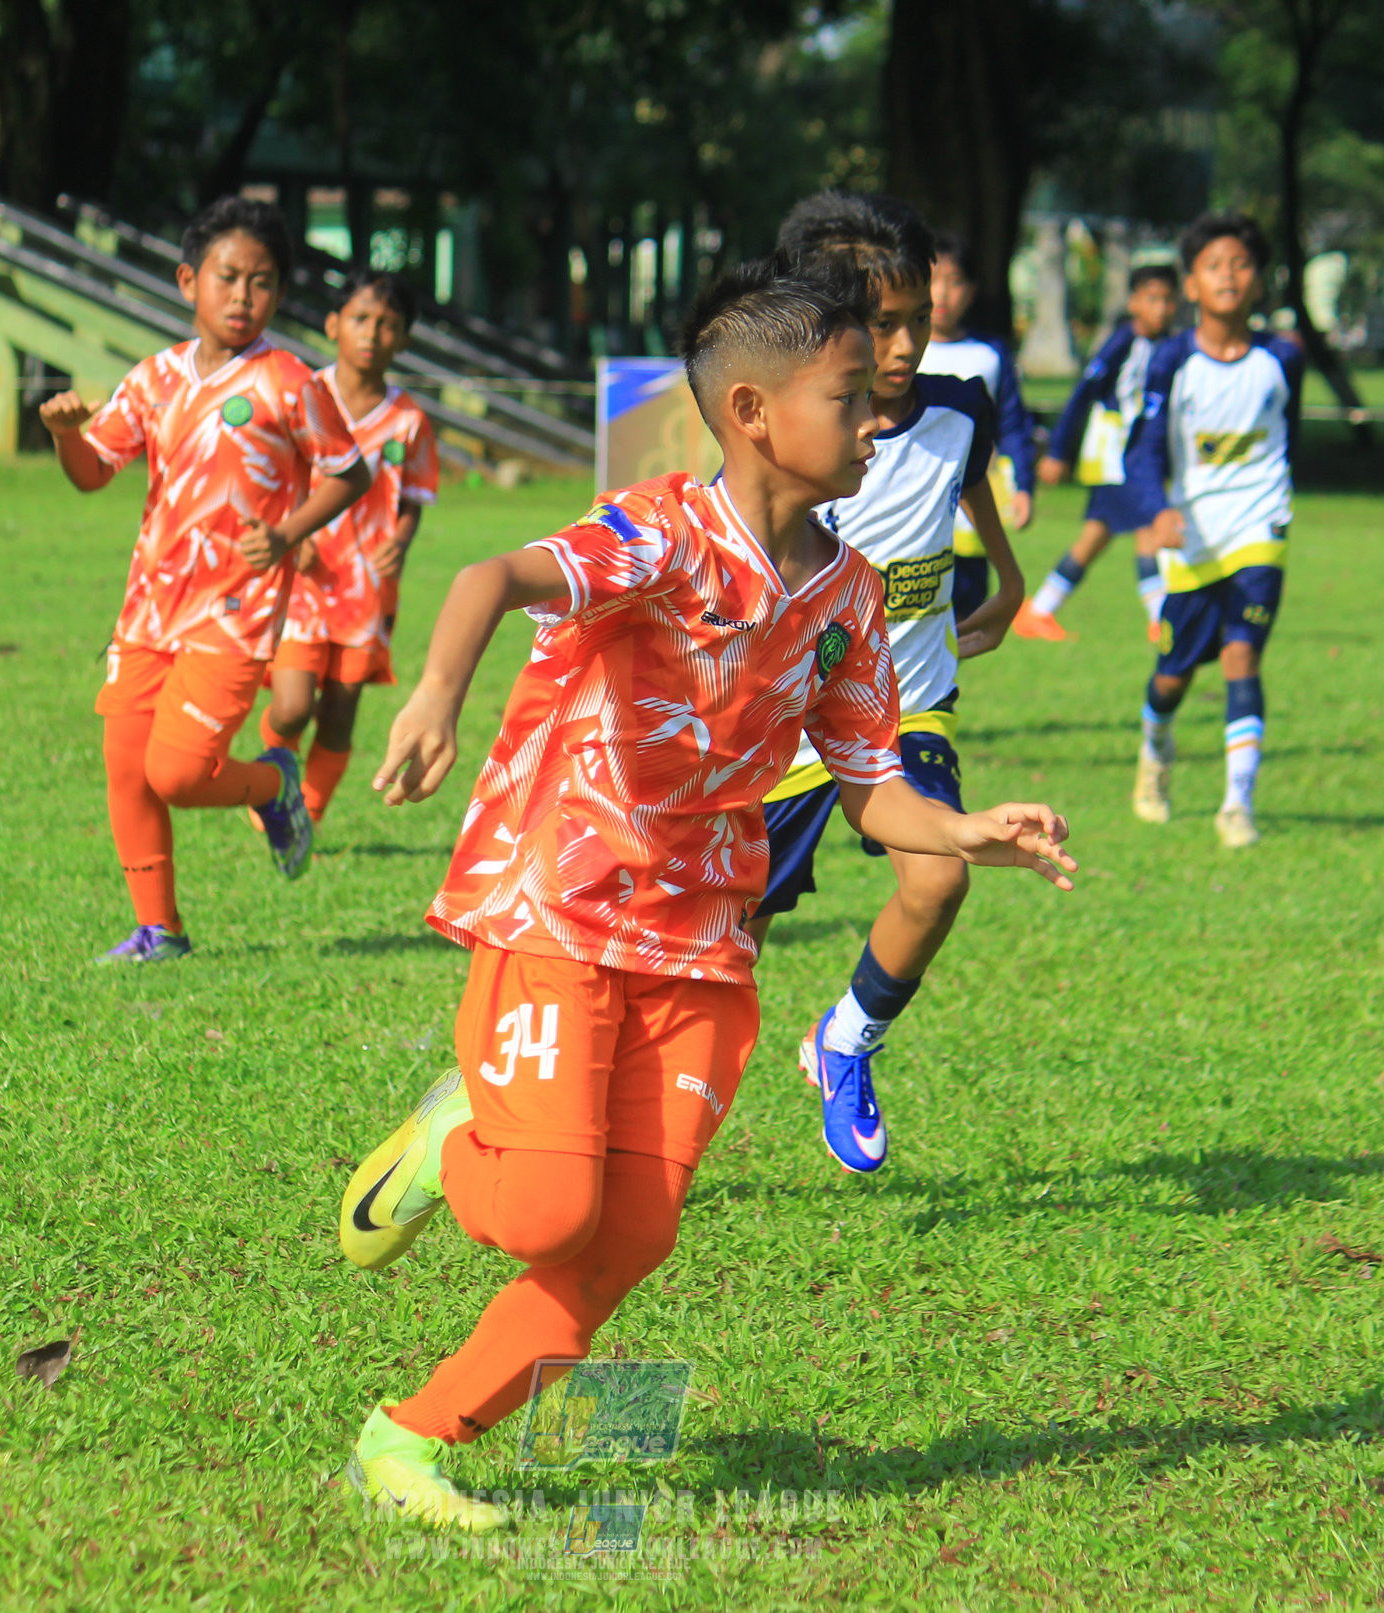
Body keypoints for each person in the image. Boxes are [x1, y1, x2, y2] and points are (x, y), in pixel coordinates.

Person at [331, 259, 1077, 1532]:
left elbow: (865, 780)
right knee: (549, 1209)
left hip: (700, 937)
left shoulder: (845, 592)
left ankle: (408, 1439)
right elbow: (488, 580)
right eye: (849, 395)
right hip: (565, 906)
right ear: (751, 411)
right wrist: (435, 696)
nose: (877, 420)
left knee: (631, 1233)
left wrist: (960, 827)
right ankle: (451, 1140)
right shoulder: (658, 534)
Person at [753, 192, 1025, 1176]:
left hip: (905, 705)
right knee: (732, 937)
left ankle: (845, 1039)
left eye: (917, 318)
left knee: (939, 874)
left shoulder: (960, 409)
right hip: (785, 722)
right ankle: (656, 1112)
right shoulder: (790, 432)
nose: (905, 344)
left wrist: (1008, 584)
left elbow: (967, 482)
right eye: (880, 323)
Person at [38, 197, 372, 962]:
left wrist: (285, 534)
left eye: (262, 281)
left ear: (278, 293)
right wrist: (63, 436)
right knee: (128, 769)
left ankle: (274, 784)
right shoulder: (152, 378)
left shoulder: (290, 381)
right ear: (189, 281)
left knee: (179, 773)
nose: (243, 296)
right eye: (227, 277)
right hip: (148, 609)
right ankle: (161, 931)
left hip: (235, 612)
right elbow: (92, 472)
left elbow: (349, 472)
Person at [1122, 213, 1302, 851]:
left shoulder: (1284, 356)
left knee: (1242, 655)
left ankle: (1236, 806)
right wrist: (1158, 511)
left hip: (1260, 526)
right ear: (1192, 285)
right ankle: (1156, 744)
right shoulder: (1172, 360)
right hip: (1192, 535)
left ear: (1260, 280)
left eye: (1242, 264)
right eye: (1214, 266)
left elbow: (1290, 435)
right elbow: (1142, 450)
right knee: (1173, 676)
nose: (1229, 275)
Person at [256, 270, 440, 823]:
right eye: (360, 319)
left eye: (387, 325)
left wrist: (401, 541)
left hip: (365, 590)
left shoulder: (409, 421)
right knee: (292, 707)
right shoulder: (300, 397)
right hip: (302, 579)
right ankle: (269, 784)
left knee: (339, 715)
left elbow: (412, 500)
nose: (372, 334)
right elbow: (265, 478)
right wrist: (292, 534)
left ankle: (302, 821)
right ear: (333, 324)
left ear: (403, 339)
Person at [1024, 264, 1182, 643]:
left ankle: (1039, 610)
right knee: (1146, 527)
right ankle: (1161, 620)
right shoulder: (1121, 343)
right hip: (1116, 456)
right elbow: (1082, 395)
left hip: (1140, 456)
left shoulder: (1171, 346)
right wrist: (1059, 450)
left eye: (1167, 300)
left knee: (1098, 535)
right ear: (1133, 302)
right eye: (1151, 299)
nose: (1160, 308)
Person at [919, 233, 1036, 623]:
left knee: (963, 620)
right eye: (933, 280)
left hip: (969, 510)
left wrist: (1024, 485)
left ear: (971, 290)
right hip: (911, 506)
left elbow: (1012, 425)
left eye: (954, 282)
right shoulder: (897, 350)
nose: (942, 293)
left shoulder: (989, 353)